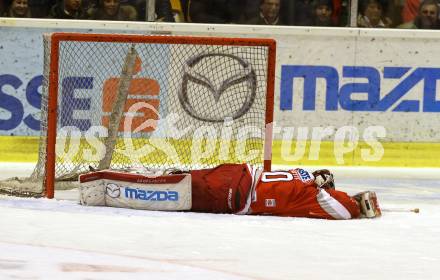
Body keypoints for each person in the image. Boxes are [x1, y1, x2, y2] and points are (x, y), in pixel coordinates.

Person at [79, 163, 381, 220]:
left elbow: (332, 197)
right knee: (170, 191)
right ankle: (108, 187)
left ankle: (111, 180)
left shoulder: (304, 174)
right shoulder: (312, 195)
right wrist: (358, 207)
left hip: (236, 172)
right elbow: (343, 210)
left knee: (175, 179)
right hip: (233, 193)